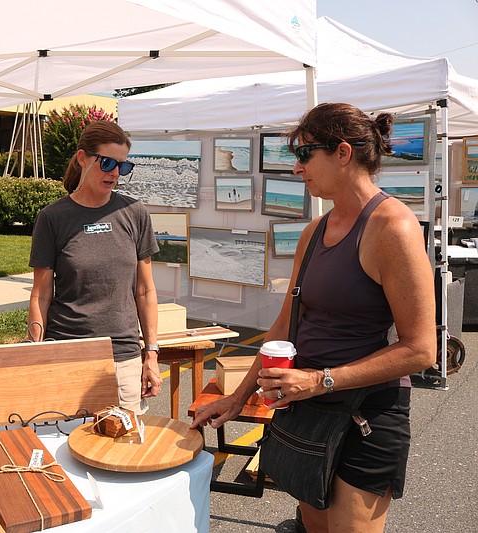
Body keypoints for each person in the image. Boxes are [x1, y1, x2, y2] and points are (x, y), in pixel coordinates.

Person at [191, 103, 436, 532]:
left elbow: (420, 350)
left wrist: (319, 379)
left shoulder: (392, 227)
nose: (296, 169)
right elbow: (285, 326)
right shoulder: (314, 230)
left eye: (304, 155)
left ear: (343, 153)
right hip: (307, 414)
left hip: (366, 418)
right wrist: (237, 397)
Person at [27, 120, 162, 414]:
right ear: (82, 158)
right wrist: (33, 354)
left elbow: (145, 290)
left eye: (123, 166)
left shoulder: (134, 213)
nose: (114, 173)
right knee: (62, 449)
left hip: (123, 357)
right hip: (66, 355)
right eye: (107, 162)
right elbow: (40, 295)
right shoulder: (53, 218)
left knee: (124, 451)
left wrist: (151, 354)